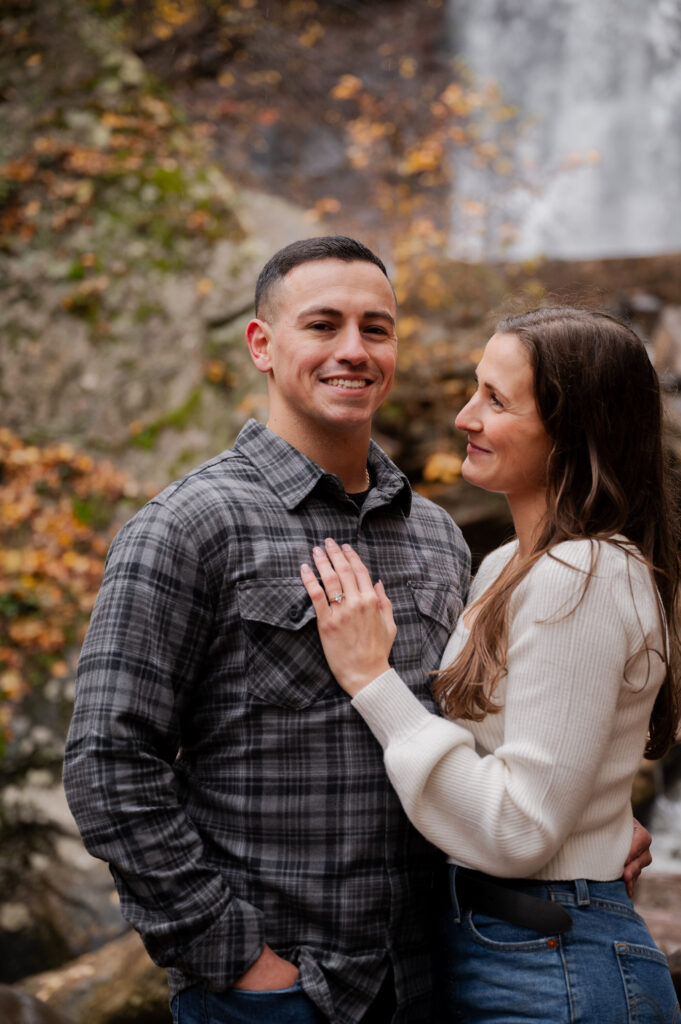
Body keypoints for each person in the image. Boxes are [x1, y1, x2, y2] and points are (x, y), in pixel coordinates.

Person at [62, 236, 472, 1024]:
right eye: (322, 325)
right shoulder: (188, 526)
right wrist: (236, 959)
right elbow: (108, 764)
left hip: (428, 983)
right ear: (261, 344)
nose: (353, 350)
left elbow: (464, 735)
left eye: (375, 328)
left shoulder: (438, 538)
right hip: (276, 996)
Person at [300, 307, 681, 1022]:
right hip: (508, 944)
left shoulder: (582, 573)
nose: (465, 418)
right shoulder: (508, 564)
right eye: (475, 390)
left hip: (550, 964)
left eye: (496, 400)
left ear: (573, 430)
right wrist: (602, 817)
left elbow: (516, 828)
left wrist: (370, 681)